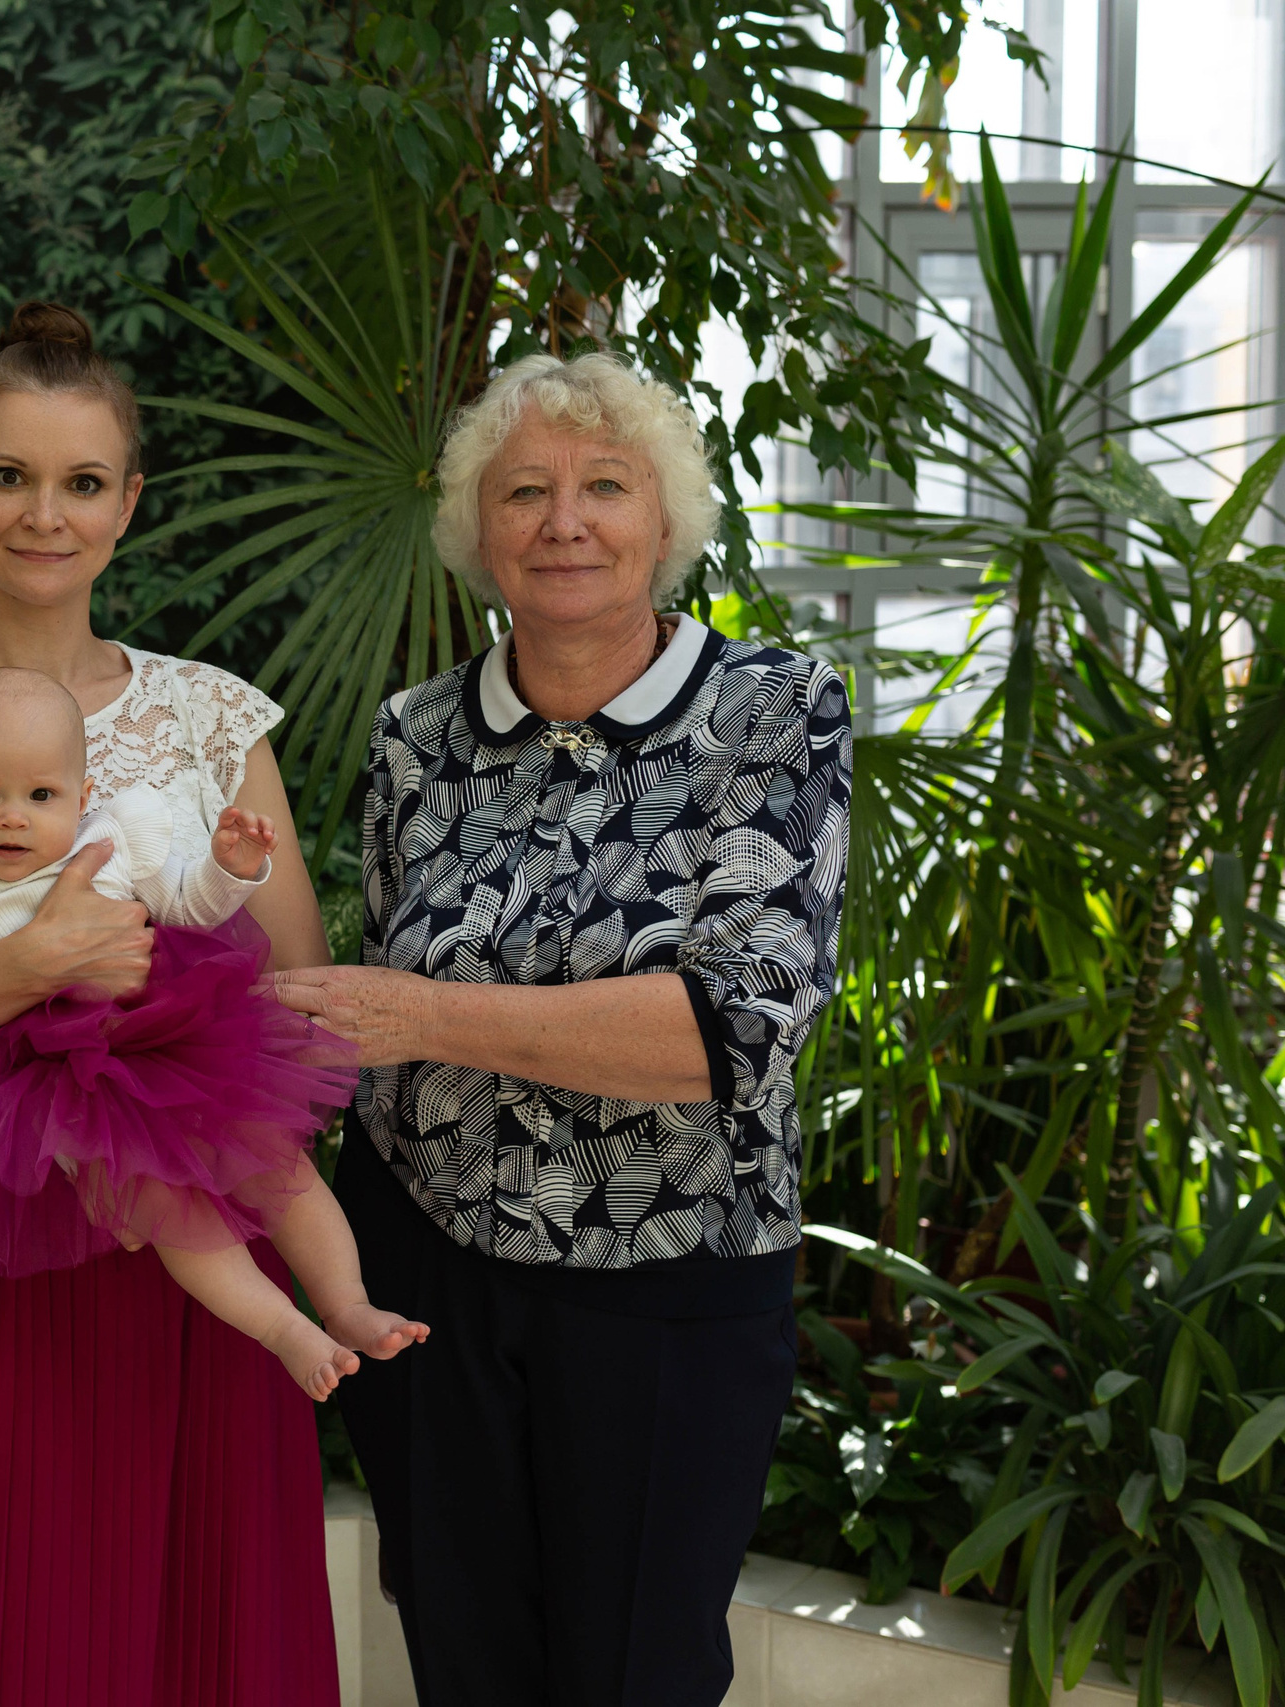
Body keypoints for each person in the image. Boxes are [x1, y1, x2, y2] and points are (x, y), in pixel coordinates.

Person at [272, 351, 853, 1706]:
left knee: (634, 1673)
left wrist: (428, 1015)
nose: (564, 521)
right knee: (464, 1665)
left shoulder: (773, 711)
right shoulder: (415, 734)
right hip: (426, 1278)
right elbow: (368, 996)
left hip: (668, 1281)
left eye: (605, 486)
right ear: (478, 531)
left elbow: (731, 1031)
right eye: (524, 491)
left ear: (667, 520)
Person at [0, 301, 341, 1706]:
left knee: (192, 1630)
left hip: (190, 1238)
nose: (46, 514)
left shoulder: (212, 718)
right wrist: (33, 965)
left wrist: (158, 1001)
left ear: (128, 501)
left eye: (83, 481)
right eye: (11, 476)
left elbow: (297, 993)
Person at [0, 667, 424, 1399]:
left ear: (82, 795)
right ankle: (283, 1328)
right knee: (167, 1208)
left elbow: (189, 907)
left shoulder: (109, 840)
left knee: (275, 1161)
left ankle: (346, 1301)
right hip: (64, 1079)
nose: (13, 818)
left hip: (170, 1038)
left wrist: (229, 871)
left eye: (41, 796)